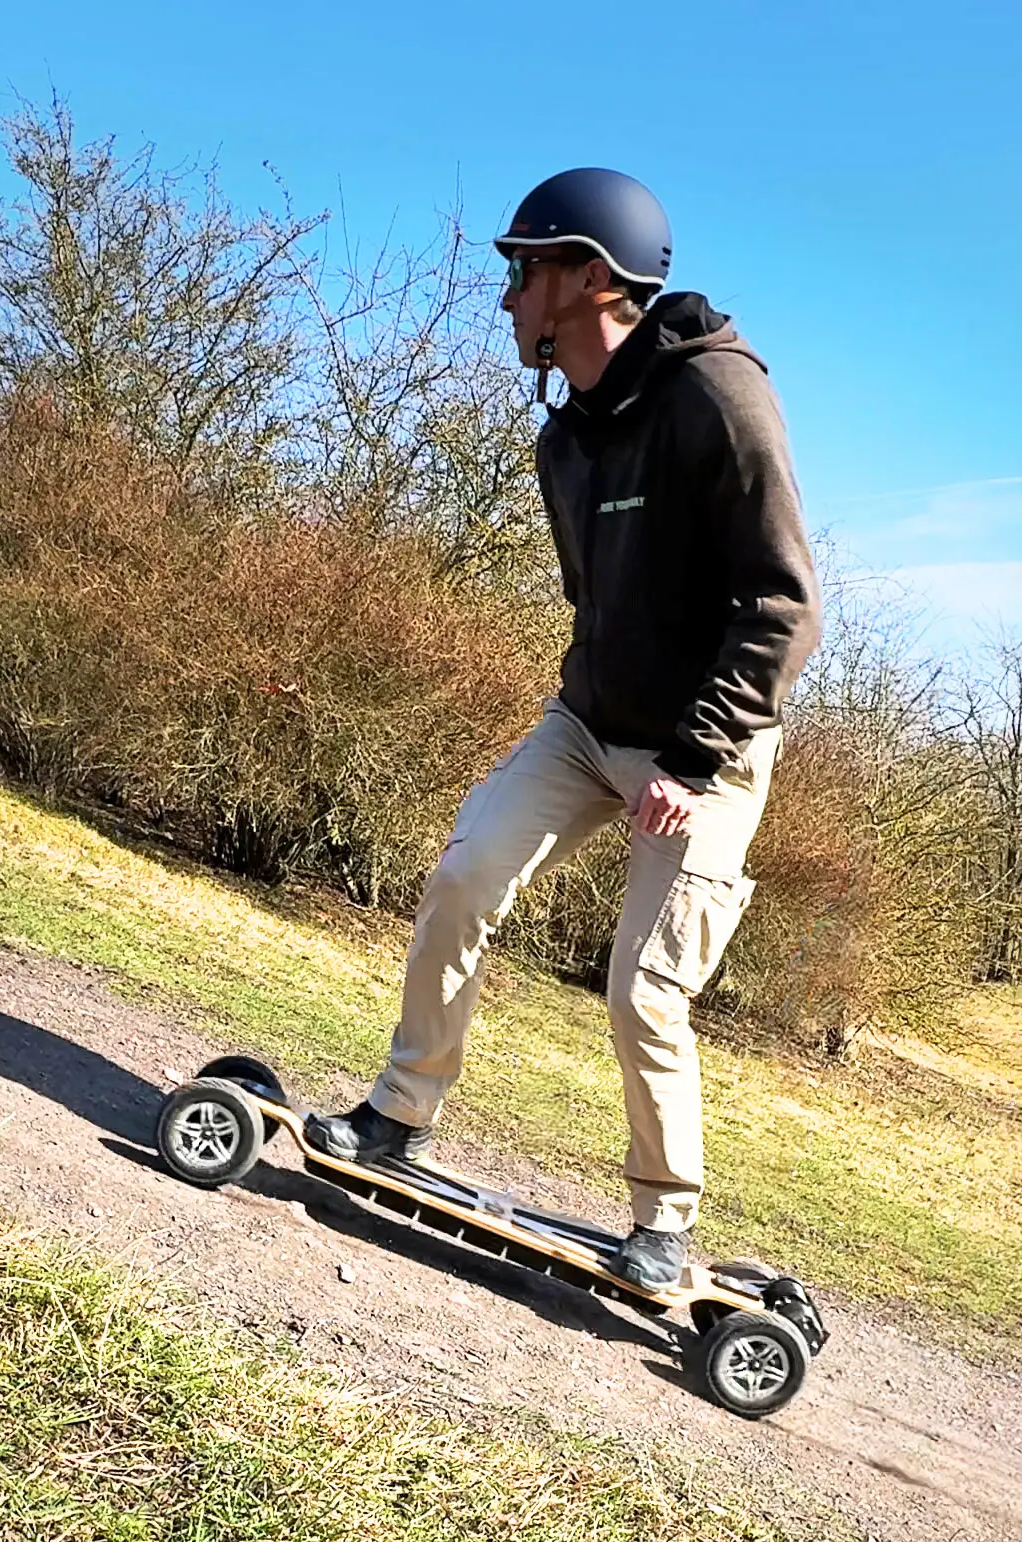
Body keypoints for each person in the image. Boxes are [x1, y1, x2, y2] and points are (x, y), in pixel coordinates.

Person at [303, 168, 819, 1294]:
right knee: (464, 874)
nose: (507, 300)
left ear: (592, 277)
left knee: (645, 984)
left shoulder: (718, 401)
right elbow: (604, 605)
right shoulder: (564, 443)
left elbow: (783, 603)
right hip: (587, 727)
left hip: (708, 751)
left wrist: (693, 757)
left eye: (524, 271)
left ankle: (666, 1224)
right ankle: (398, 1115)